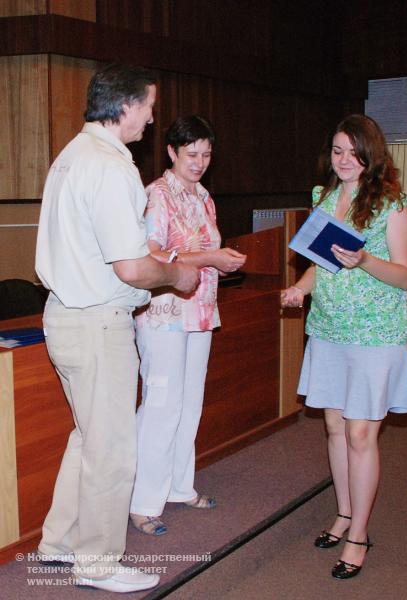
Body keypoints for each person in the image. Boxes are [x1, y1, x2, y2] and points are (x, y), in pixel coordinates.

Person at [35, 64, 199, 594]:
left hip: (66, 315)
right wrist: (177, 275)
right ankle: (98, 564)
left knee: (90, 439)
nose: (153, 118)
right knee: (112, 449)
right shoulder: (109, 165)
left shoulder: (71, 156)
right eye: (148, 107)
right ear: (125, 107)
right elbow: (130, 268)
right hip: (97, 323)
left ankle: (60, 545)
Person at [281, 114, 407, 580]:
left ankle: (359, 532)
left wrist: (364, 260)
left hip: (375, 333)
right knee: (335, 430)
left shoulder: (391, 203)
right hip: (329, 328)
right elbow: (321, 264)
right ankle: (343, 512)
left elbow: (405, 275)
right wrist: (300, 288)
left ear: (371, 154)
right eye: (337, 151)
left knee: (362, 435)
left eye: (353, 152)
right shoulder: (323, 197)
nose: (344, 160)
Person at [129, 115, 246, 535]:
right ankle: (142, 502)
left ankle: (179, 486)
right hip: (164, 311)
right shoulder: (157, 195)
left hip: (200, 309)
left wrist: (223, 261)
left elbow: (203, 249)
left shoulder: (203, 196)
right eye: (191, 154)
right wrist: (210, 259)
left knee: (190, 401)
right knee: (162, 403)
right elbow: (152, 255)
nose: (199, 162)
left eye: (206, 154)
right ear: (172, 153)